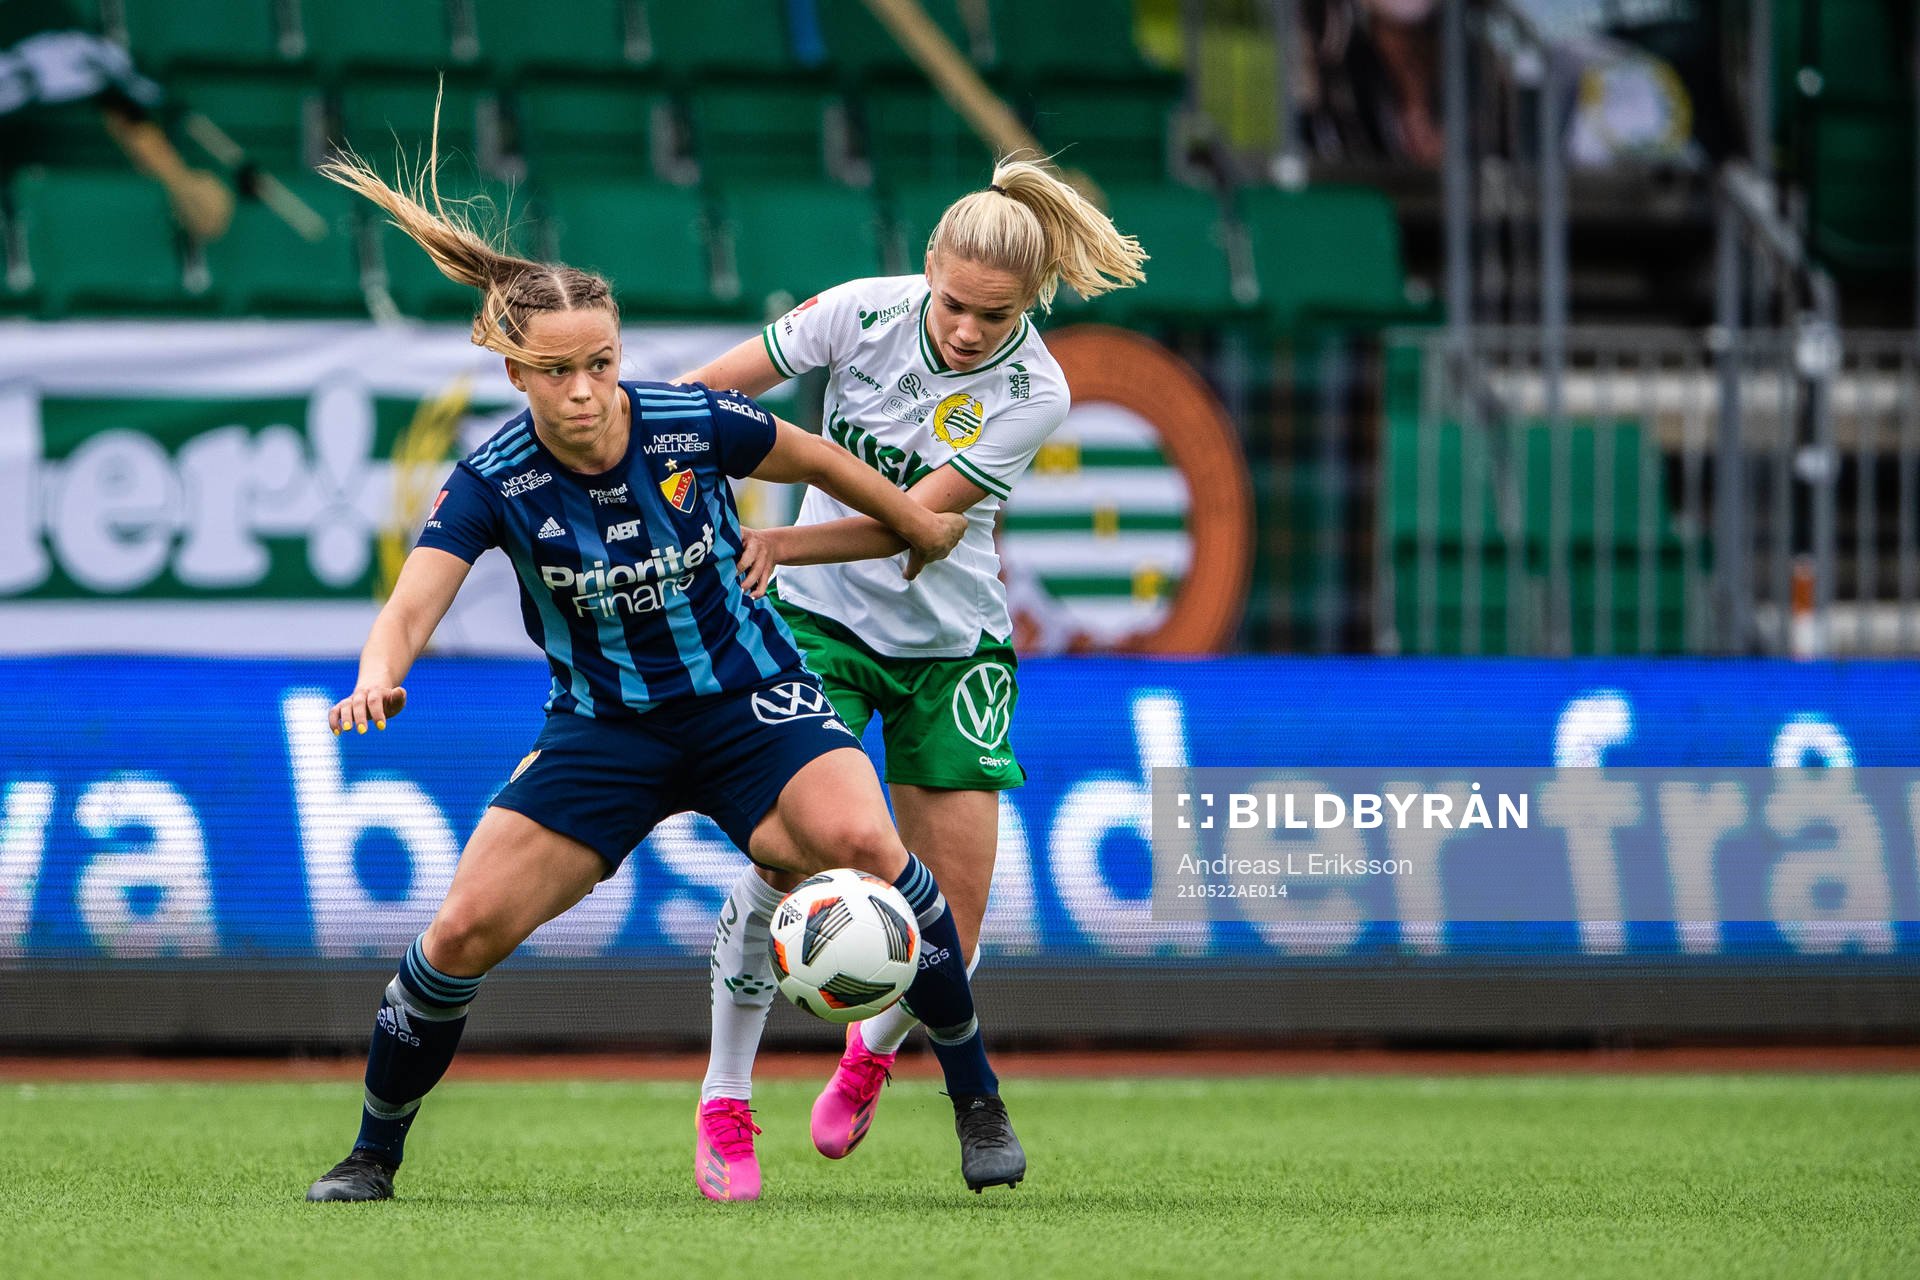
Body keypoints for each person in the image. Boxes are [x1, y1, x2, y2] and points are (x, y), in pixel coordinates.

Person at [300, 124, 1023, 1204]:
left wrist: (915, 523)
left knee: (872, 845)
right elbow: (415, 596)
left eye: (600, 362)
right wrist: (376, 671)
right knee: (458, 932)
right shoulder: (493, 478)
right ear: (516, 371)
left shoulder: (691, 424)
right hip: (604, 730)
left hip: (750, 702)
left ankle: (975, 1097)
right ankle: (372, 1151)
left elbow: (817, 456)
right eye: (557, 371)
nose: (585, 389)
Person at [678, 154, 1146, 1200]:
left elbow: (917, 523)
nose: (970, 331)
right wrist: (637, 435)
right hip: (820, 632)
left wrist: (774, 545)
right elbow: (710, 392)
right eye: (955, 304)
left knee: (952, 913)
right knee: (785, 861)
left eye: (998, 313)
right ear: (926, 266)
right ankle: (725, 1098)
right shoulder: (857, 313)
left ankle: (874, 1053)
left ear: (1032, 302)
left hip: (953, 643)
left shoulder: (1037, 389)